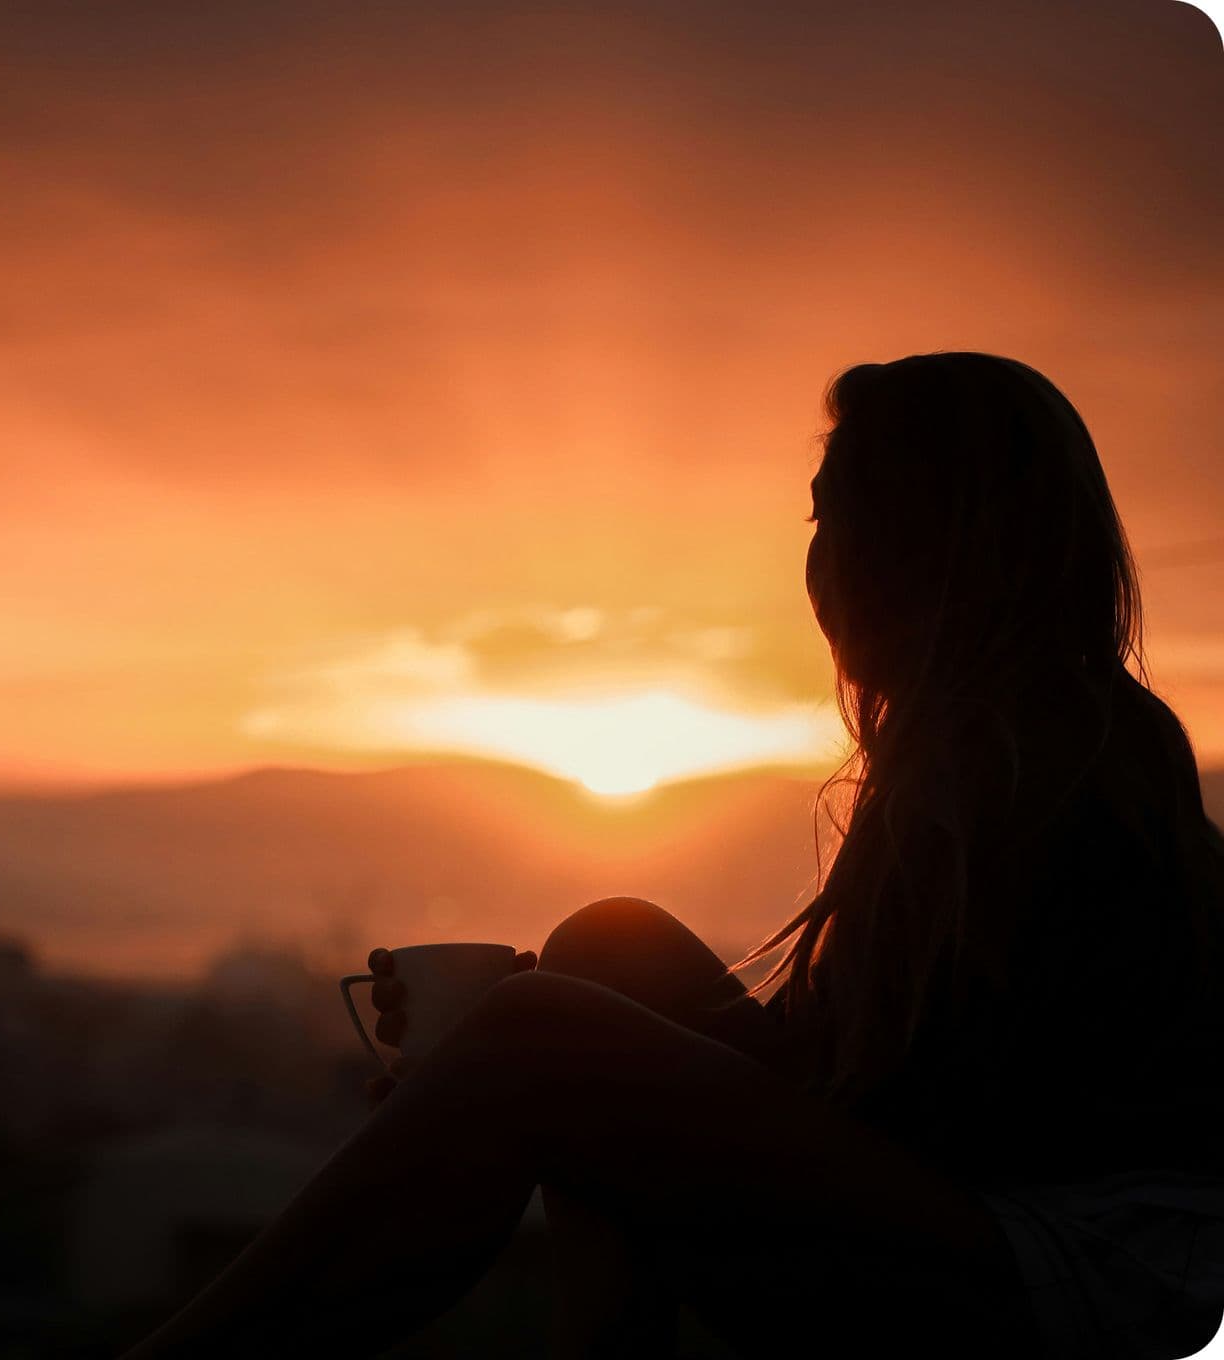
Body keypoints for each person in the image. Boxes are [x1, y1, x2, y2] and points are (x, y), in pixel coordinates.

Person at [118, 352, 1224, 1359]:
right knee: (606, 950)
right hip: (1014, 1227)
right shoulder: (1028, 734)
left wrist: (531, 1066)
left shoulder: (1026, 757)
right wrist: (554, 1056)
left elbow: (932, 1118)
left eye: (843, 517)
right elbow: (875, 1084)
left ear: (934, 544)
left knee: (546, 1031)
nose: (820, 563)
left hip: (1079, 1270)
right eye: (819, 520)